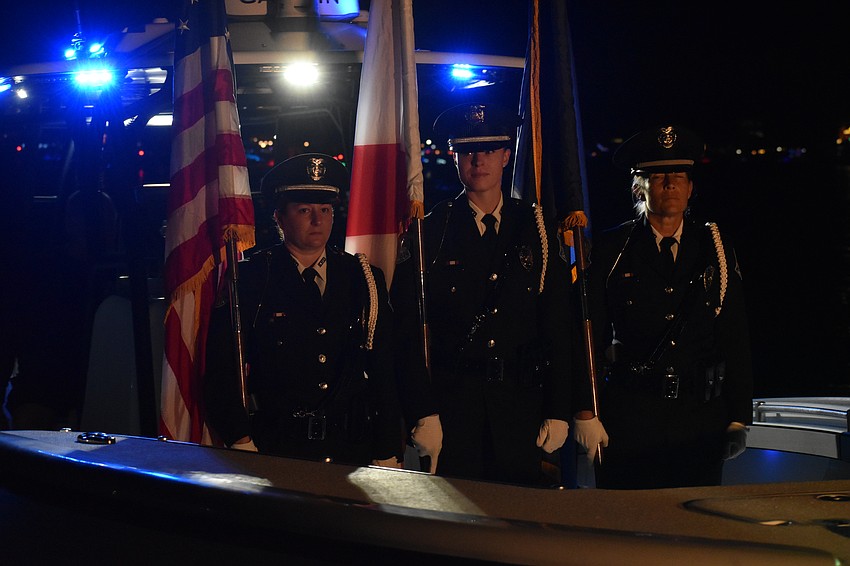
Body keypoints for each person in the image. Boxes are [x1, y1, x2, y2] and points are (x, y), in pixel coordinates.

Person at [391, 102, 605, 486]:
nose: (479, 160)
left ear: (507, 156)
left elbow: (557, 325)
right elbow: (407, 332)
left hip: (520, 407)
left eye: (489, 150)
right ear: (455, 157)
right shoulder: (430, 231)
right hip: (452, 408)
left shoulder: (537, 228)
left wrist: (560, 409)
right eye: (468, 151)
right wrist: (423, 412)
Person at [203, 153, 404, 469]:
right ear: (280, 218)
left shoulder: (362, 276)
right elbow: (221, 368)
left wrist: (389, 447)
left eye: (325, 210)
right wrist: (240, 440)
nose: (318, 220)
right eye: (305, 210)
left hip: (350, 447)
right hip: (277, 446)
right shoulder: (252, 278)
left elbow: (383, 369)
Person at [585, 124, 753, 489]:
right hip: (630, 416)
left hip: (699, 419)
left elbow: (734, 333)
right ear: (637, 187)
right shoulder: (612, 249)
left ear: (691, 188)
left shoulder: (715, 246)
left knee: (695, 531)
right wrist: (586, 410)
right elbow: (589, 334)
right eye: (658, 175)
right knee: (628, 528)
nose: (670, 184)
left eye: (678, 175)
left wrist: (739, 417)